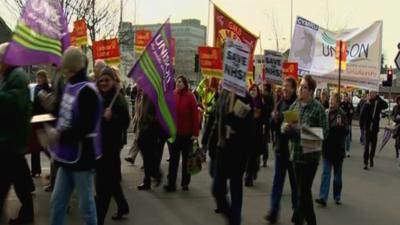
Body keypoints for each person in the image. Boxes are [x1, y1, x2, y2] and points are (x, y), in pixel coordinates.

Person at [49, 47, 103, 225]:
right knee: (57, 202)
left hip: (83, 158)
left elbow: (84, 128)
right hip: (67, 157)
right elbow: (64, 115)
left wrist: (57, 135)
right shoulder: (69, 86)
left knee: (86, 206)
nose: (64, 71)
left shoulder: (88, 91)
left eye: (67, 67)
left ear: (73, 67)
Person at [0, 42, 35, 225]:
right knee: (17, 180)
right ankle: (27, 215)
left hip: (11, 140)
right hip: (9, 141)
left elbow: (15, 104)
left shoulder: (17, 77)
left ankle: (27, 216)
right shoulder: (8, 76)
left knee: (9, 180)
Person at [286, 75, 328, 225]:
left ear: (310, 91)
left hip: (310, 157)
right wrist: (286, 128)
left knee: (303, 191)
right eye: (300, 86)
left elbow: (325, 132)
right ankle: (299, 218)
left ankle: (309, 221)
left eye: (303, 87)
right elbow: (285, 123)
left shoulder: (318, 108)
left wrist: (301, 131)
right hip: (295, 155)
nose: (300, 89)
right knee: (300, 193)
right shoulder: (295, 105)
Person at [212, 90, 253, 225]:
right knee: (217, 189)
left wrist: (233, 120)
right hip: (222, 149)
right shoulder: (222, 94)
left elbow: (249, 126)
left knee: (235, 188)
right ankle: (233, 218)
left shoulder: (245, 97)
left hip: (238, 151)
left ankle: (235, 219)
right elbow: (215, 119)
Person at [95, 67, 130, 224]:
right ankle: (122, 206)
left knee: (103, 187)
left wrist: (112, 117)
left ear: (113, 81)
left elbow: (126, 122)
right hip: (100, 146)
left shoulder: (119, 99)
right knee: (113, 181)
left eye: (106, 80)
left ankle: (98, 219)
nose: (103, 83)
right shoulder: (100, 96)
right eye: (101, 80)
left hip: (111, 148)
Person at [265, 77, 298, 224]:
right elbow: (272, 126)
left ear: (293, 88)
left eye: (287, 86)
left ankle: (297, 211)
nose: (284, 88)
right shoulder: (279, 103)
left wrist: (291, 127)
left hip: (293, 151)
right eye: (283, 86)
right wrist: (274, 118)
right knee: (277, 182)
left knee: (295, 184)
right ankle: (273, 211)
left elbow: (299, 128)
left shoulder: (297, 104)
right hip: (280, 149)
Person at [164, 76, 199, 192]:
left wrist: (195, 133)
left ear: (185, 84)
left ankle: (185, 183)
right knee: (173, 160)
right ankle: (171, 183)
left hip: (187, 135)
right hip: (175, 134)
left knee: (186, 160)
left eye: (180, 82)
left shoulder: (190, 97)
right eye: (177, 82)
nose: (178, 83)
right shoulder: (173, 95)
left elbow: (195, 116)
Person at [315, 93, 348, 207]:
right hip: (327, 149)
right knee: (326, 173)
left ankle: (337, 195)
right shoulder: (325, 112)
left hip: (338, 150)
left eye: (332, 100)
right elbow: (321, 127)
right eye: (330, 100)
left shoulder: (342, 114)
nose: (330, 102)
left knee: (337, 177)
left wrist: (341, 126)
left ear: (338, 103)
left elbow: (346, 131)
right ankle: (323, 197)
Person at [136, 91, 166, 190]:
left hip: (152, 128)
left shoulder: (156, 93)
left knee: (149, 155)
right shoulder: (144, 92)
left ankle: (151, 176)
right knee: (146, 155)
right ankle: (153, 175)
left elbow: (160, 112)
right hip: (143, 127)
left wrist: (151, 118)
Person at [30, 70, 51, 177]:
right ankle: (35, 170)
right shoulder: (36, 89)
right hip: (36, 119)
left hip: (45, 120)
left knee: (46, 146)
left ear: (44, 78)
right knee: (35, 147)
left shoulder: (47, 89)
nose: (39, 80)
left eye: (41, 78)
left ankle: (54, 165)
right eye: (37, 78)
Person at [359, 91, 388, 170]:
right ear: (369, 95)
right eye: (371, 93)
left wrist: (378, 98)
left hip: (375, 128)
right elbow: (361, 116)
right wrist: (361, 126)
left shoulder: (377, 103)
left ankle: (371, 157)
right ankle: (365, 162)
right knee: (366, 146)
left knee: (373, 145)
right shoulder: (366, 103)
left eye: (374, 94)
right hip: (367, 128)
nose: (372, 95)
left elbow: (386, 105)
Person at [244, 84, 264, 187]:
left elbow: (264, 118)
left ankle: (252, 172)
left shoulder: (261, 103)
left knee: (254, 156)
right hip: (247, 134)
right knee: (249, 156)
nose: (253, 92)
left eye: (255, 90)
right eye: (251, 90)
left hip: (257, 134)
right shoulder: (246, 101)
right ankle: (248, 175)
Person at [261, 83, 274, 166]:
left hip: (266, 123)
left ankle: (265, 159)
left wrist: (264, 104)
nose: (263, 91)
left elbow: (270, 110)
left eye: (265, 90)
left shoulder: (270, 98)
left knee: (264, 142)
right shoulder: (261, 97)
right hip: (259, 122)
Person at [340, 92, 354, 157]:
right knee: (342, 138)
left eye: (346, 96)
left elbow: (351, 112)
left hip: (348, 123)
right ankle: (342, 150)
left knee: (347, 138)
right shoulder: (341, 104)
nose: (345, 97)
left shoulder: (350, 104)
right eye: (343, 96)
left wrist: (350, 112)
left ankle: (347, 151)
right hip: (342, 123)